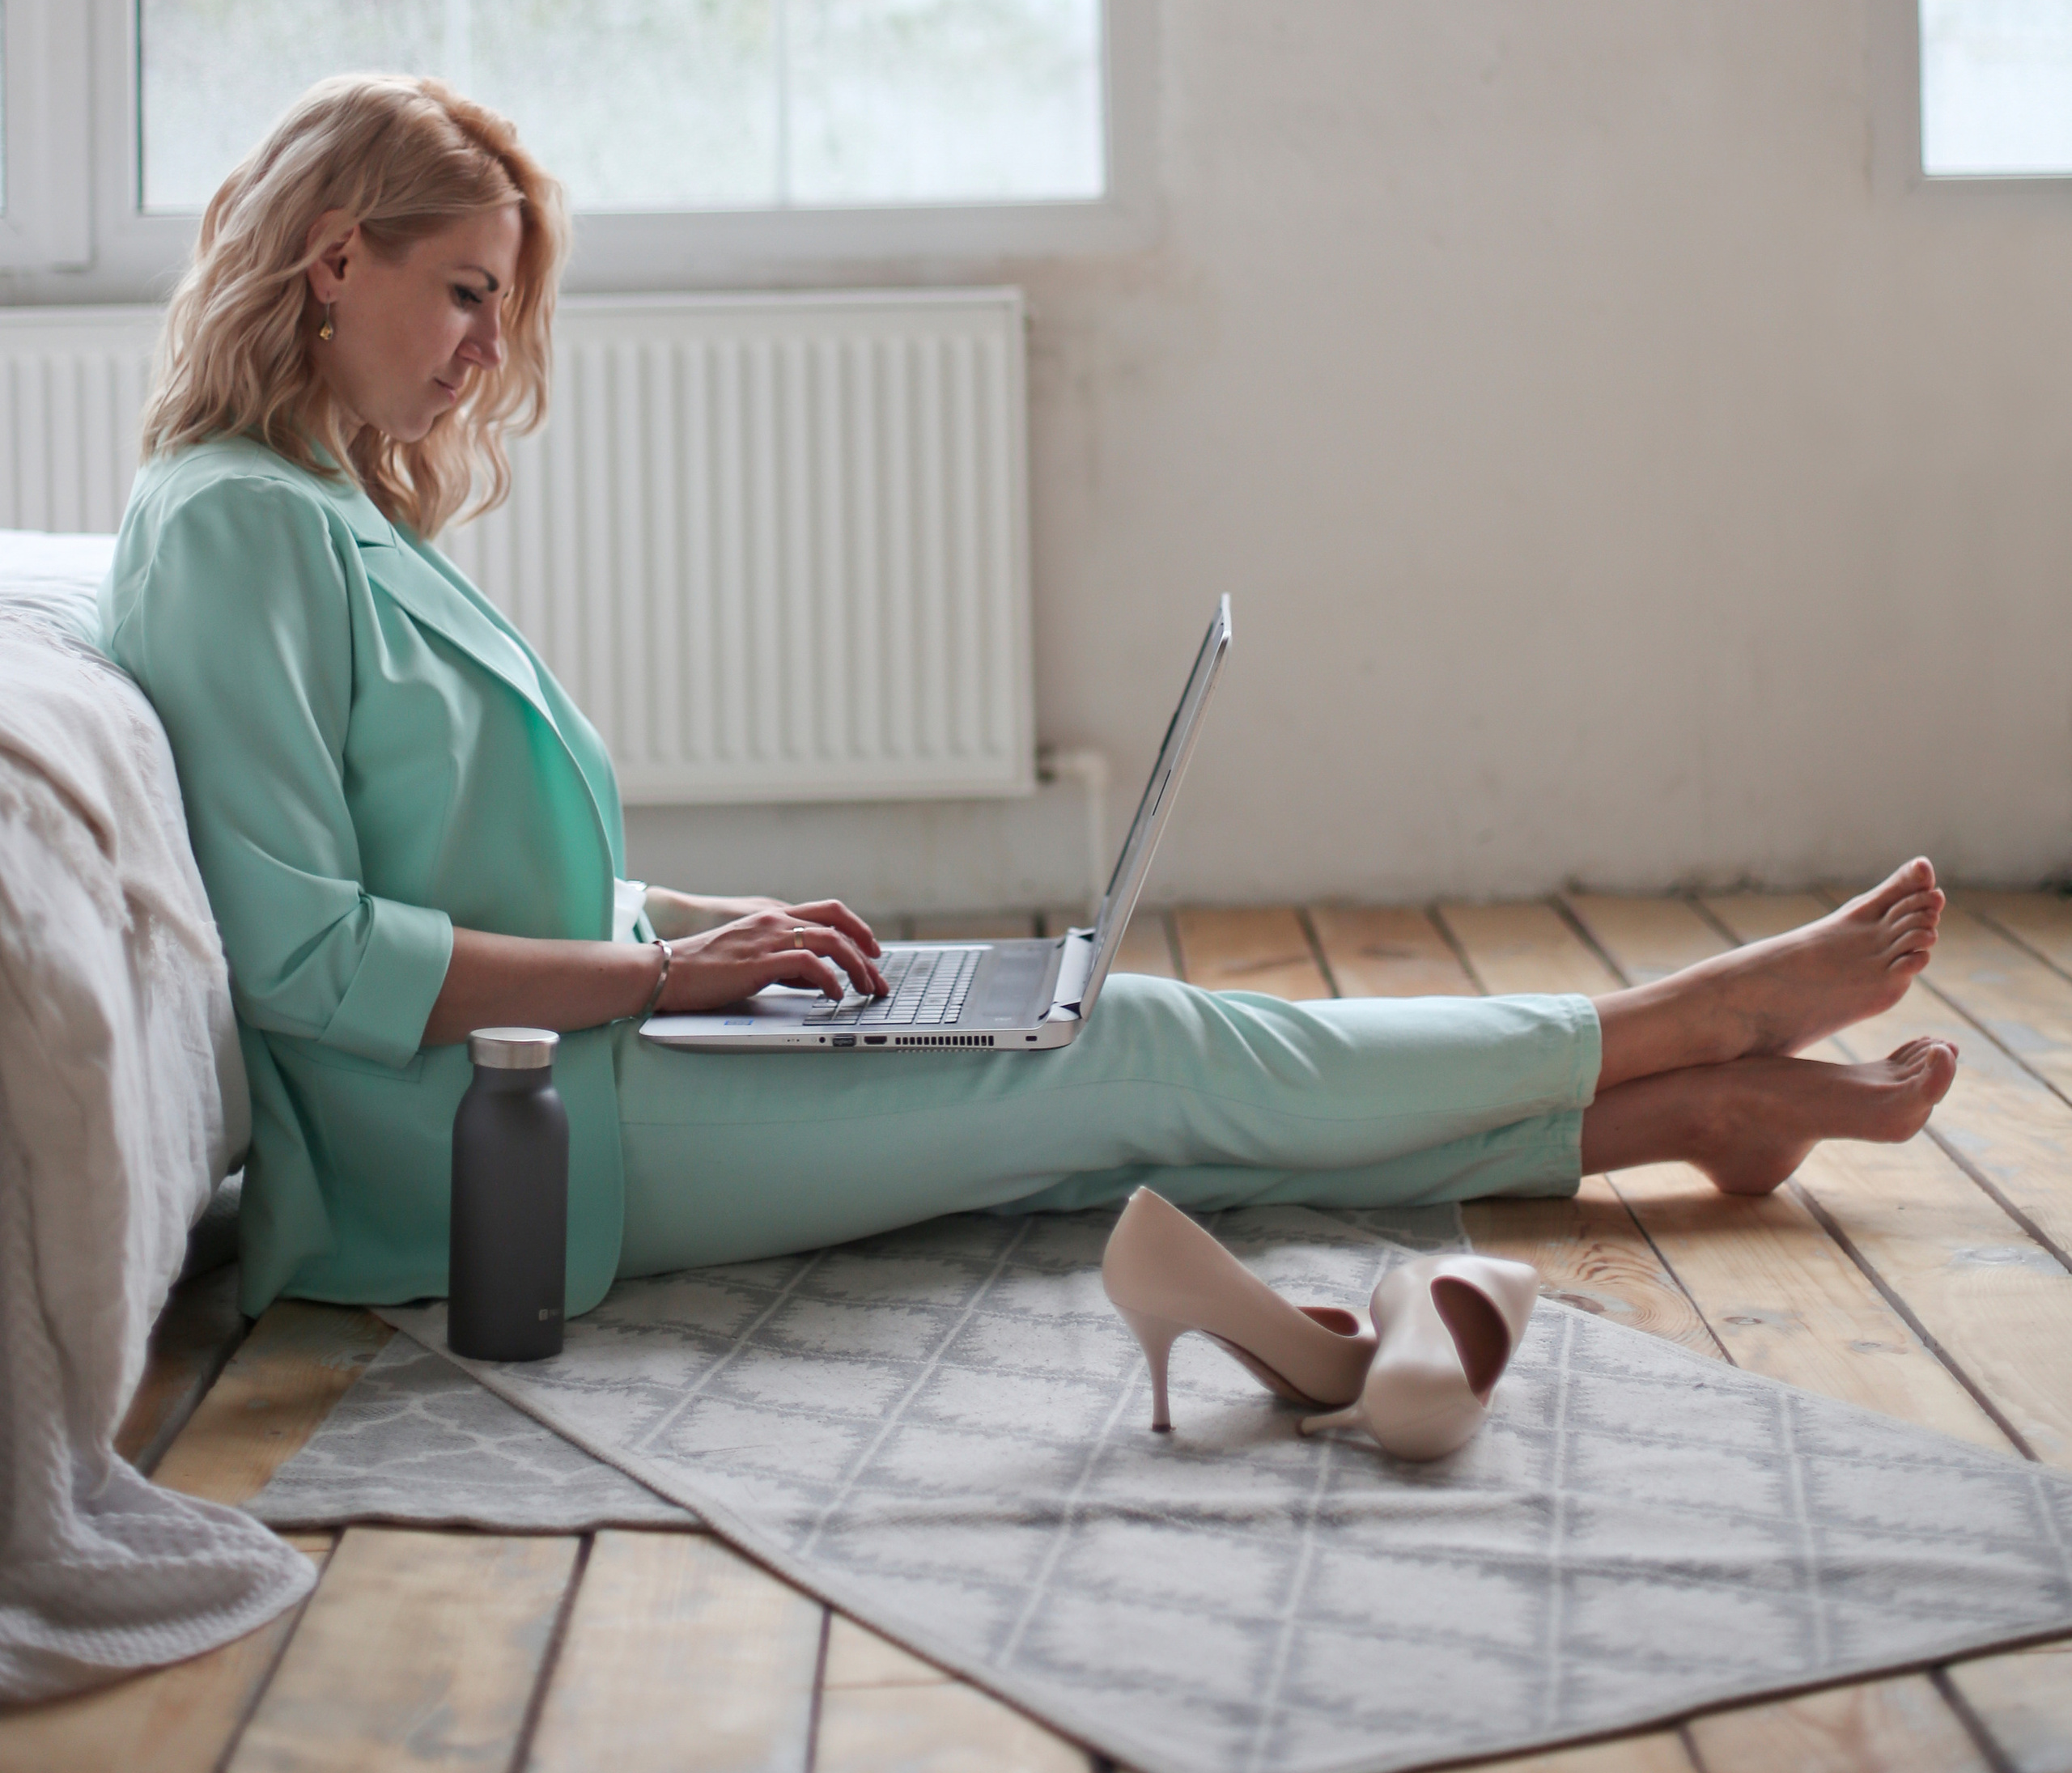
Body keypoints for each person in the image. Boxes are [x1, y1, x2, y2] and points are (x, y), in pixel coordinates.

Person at [100, 75, 1959, 1320]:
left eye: (504, 303)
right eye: (464, 294)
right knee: (1133, 1059)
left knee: (1111, 1115)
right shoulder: (232, 531)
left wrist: (695, 928)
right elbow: (312, 958)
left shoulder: (336, 505)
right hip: (501, 1147)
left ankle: (1675, 1118)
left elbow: (472, 861)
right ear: (334, 261)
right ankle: (1670, 1022)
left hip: (601, 1051)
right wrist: (669, 983)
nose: (492, 351)